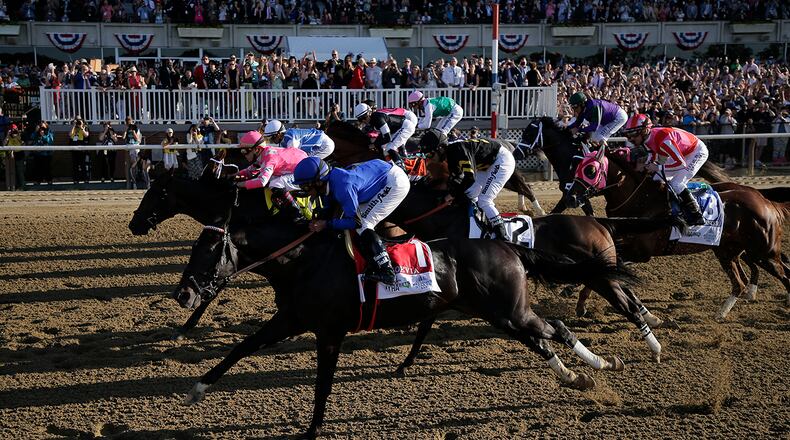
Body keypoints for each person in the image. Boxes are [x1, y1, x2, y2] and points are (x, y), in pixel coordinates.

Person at [292, 156, 410, 284]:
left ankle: (387, 272)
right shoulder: (329, 181)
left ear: (318, 182)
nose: (305, 191)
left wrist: (326, 224)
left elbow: (355, 222)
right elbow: (328, 207)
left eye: (305, 187)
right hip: (380, 171)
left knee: (364, 224)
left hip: (394, 182)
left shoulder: (343, 187)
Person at [419, 129, 515, 240]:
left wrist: (452, 194)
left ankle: (502, 236)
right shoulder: (450, 155)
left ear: (440, 148)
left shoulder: (459, 151)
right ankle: (479, 222)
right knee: (470, 193)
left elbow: (470, 178)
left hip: (501, 160)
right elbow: (458, 180)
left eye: (430, 154)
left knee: (484, 200)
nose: (430, 159)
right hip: (486, 165)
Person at [623, 113, 707, 226]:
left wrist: (657, 167)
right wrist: (646, 165)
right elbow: (652, 156)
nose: (631, 139)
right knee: (656, 179)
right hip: (680, 152)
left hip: (696, 152)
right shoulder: (646, 140)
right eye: (628, 135)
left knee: (676, 184)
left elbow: (681, 164)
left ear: (644, 131)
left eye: (633, 134)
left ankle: (697, 215)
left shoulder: (664, 140)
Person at [234, 130, 307, 222]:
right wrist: (234, 175)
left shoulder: (269, 159)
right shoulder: (263, 153)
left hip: (304, 170)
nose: (243, 154)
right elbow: (250, 171)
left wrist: (240, 184)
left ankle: (298, 213)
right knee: (272, 179)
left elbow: (261, 182)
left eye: (244, 151)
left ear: (257, 149)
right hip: (298, 165)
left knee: (275, 183)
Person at [353, 102, 417, 168]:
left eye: (364, 117)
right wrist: (374, 144)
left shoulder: (377, 118)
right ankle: (393, 163)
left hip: (406, 127)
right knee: (383, 147)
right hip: (397, 129)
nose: (363, 120)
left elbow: (387, 138)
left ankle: (402, 169)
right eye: (360, 119)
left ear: (369, 112)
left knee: (390, 147)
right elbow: (381, 137)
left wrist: (374, 145)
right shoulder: (372, 120)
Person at [262, 119, 335, 159]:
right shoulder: (284, 140)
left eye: (271, 138)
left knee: (304, 162)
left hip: (324, 144)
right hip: (320, 142)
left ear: (278, 134)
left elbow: (294, 157)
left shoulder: (290, 138)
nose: (271, 141)